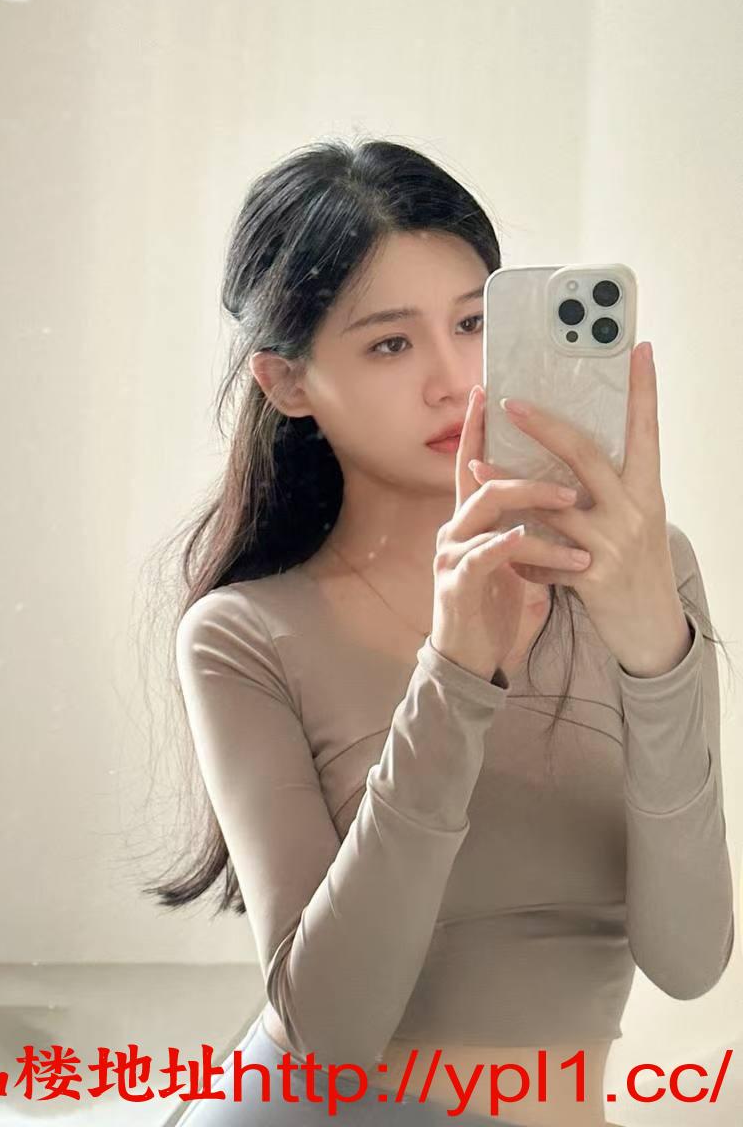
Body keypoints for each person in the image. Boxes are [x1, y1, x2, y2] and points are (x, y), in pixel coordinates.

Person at [147, 138, 734, 1126]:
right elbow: (326, 1033)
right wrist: (455, 675)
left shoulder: (642, 572)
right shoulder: (246, 634)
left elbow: (691, 959)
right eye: (390, 344)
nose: (454, 379)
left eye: (473, 323)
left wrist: (654, 654)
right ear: (288, 383)